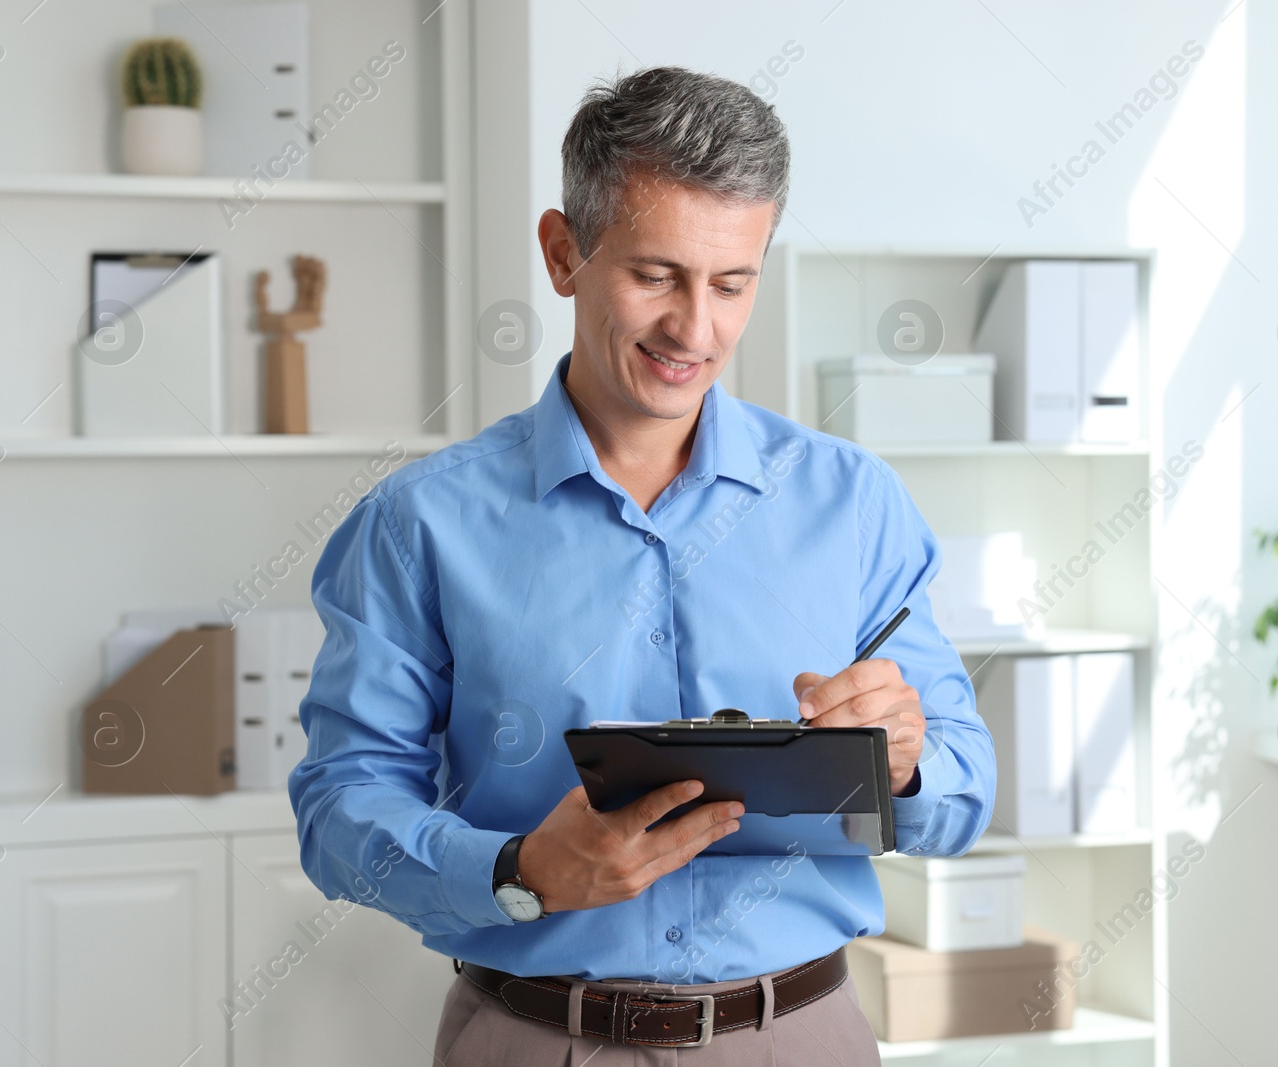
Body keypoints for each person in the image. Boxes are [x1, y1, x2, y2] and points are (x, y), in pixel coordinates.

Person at [288, 65, 996, 1066]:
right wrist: (519, 868)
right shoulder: (421, 522)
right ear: (562, 251)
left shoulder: (853, 502)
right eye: (656, 274)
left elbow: (965, 791)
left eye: (732, 282)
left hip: (800, 1037)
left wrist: (908, 758)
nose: (693, 329)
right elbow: (338, 809)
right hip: (536, 1038)